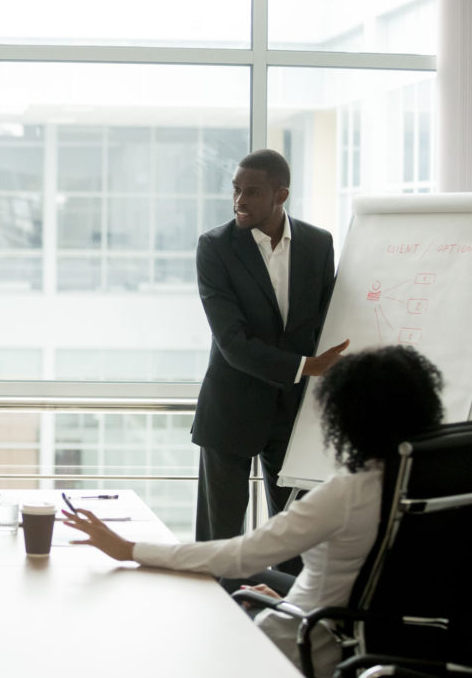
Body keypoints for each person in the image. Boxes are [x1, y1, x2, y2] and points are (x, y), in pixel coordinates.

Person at [64, 345, 444, 677]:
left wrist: (130, 549)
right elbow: (367, 580)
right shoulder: (435, 484)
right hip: (370, 638)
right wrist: (291, 599)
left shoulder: (346, 494)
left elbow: (238, 556)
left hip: (299, 647)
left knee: (181, 615)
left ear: (347, 419)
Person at [193, 148, 349, 547]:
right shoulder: (214, 247)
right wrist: (304, 367)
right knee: (220, 539)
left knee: (298, 538)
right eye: (236, 190)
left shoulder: (318, 243)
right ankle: (218, 609)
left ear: (281, 195)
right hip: (230, 411)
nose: (239, 201)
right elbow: (232, 343)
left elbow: (326, 320)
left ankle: (286, 608)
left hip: (294, 414)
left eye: (253, 192)